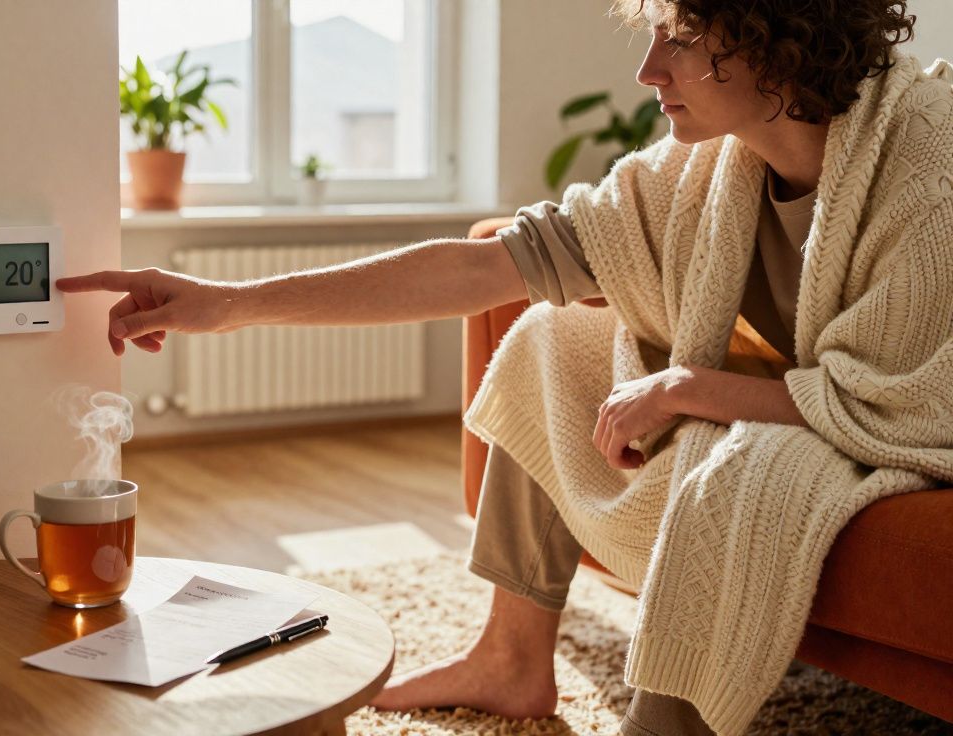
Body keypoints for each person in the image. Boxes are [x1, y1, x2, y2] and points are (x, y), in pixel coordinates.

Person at [60, 1, 952, 733]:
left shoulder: (926, 164)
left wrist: (690, 388)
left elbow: (903, 403)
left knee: (756, 464)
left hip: (903, 428)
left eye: (680, 37)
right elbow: (479, 268)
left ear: (775, 38)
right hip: (828, 402)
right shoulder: (705, 172)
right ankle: (510, 661)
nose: (648, 71)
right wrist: (228, 302)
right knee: (549, 338)